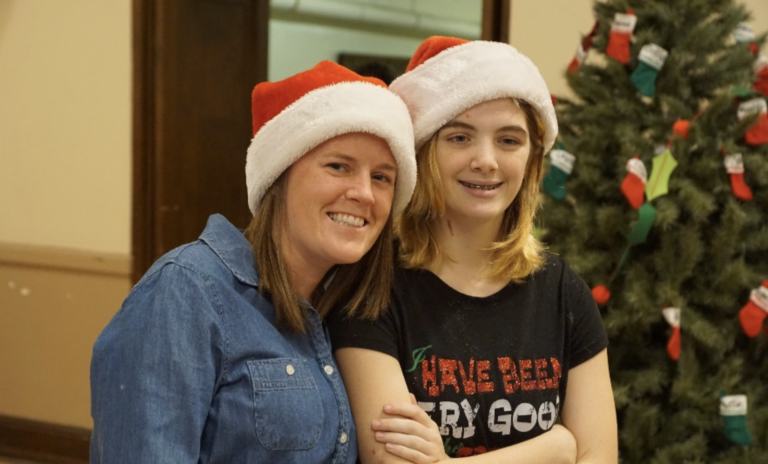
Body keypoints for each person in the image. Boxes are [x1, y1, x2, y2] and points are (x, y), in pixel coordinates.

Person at [90, 61, 417, 464]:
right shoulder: (185, 292)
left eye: (382, 177)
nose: (365, 193)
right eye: (338, 166)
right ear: (279, 173)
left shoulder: (342, 310)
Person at [328, 36, 618, 463]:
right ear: (425, 151)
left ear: (532, 159)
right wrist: (555, 449)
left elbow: (599, 458)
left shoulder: (563, 292)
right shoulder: (372, 289)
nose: (486, 160)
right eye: (460, 137)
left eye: (509, 140)